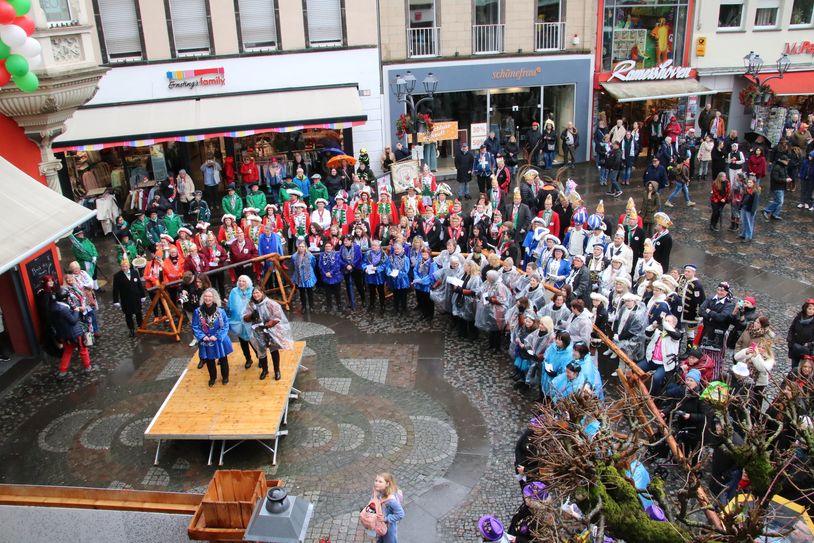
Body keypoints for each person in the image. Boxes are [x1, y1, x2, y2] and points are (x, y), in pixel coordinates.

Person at [243, 287, 292, 380]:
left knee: (274, 350)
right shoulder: (250, 304)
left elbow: (278, 316)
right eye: (254, 293)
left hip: (271, 331)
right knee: (261, 352)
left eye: (257, 292)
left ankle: (277, 370)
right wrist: (251, 316)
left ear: (262, 292)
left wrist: (269, 324)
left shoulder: (270, 303)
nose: (255, 295)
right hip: (258, 331)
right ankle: (265, 370)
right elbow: (245, 317)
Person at [191, 288, 232, 387]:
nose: (207, 298)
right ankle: (212, 378)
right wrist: (202, 336)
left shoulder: (221, 311)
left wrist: (217, 336)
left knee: (223, 359)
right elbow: (195, 326)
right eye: (205, 296)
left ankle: (225, 377)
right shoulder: (197, 311)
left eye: (209, 296)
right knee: (210, 360)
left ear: (214, 298)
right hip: (206, 341)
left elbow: (226, 325)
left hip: (219, 340)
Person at [51, 288, 92, 379]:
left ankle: (62, 371)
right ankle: (87, 366)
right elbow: (73, 320)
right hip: (75, 333)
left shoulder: (53, 307)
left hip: (64, 334)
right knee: (83, 349)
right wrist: (76, 311)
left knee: (68, 351)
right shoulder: (63, 309)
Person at [228, 275, 256, 370]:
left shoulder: (253, 291)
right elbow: (230, 305)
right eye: (239, 281)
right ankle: (248, 359)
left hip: (251, 321)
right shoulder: (234, 291)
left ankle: (260, 357)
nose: (241, 283)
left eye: (243, 281)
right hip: (238, 322)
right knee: (243, 342)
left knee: (254, 341)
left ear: (247, 282)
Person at [112, 258, 145, 338]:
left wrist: (143, 295)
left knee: (138, 313)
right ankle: (131, 329)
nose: (124, 268)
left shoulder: (134, 272)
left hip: (136, 297)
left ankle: (141, 326)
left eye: (126, 266)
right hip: (126, 299)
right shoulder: (117, 276)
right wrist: (116, 300)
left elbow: (139, 285)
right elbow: (115, 289)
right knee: (128, 315)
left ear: (129, 266)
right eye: (123, 266)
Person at [372, 472, 404, 543]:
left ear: (387, 484)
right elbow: (373, 506)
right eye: (376, 481)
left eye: (380, 482)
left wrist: (385, 519)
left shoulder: (391, 500)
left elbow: (400, 514)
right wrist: (374, 496)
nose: (376, 483)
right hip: (380, 525)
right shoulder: (379, 493)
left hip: (389, 529)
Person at [290, 239, 316, 313]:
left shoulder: (310, 256)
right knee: (301, 292)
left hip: (308, 276)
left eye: (303, 246)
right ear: (297, 247)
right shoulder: (294, 256)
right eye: (300, 246)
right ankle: (304, 306)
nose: (301, 248)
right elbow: (293, 265)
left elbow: (313, 264)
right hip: (299, 276)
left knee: (310, 292)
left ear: (305, 247)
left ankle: (311, 306)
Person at [787, 299, 814, 369]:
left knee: (804, 368)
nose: (811, 311)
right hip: (795, 346)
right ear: (805, 308)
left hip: (806, 349)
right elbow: (792, 329)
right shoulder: (799, 317)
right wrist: (790, 341)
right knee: (794, 367)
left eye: (813, 309)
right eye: (809, 308)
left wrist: (809, 344)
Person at [762, 154, 790, 221]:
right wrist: (785, 180)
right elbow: (775, 178)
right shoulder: (777, 167)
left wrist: (788, 177)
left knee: (778, 201)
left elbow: (785, 175)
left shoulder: (784, 167)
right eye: (786, 161)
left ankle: (774, 214)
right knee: (779, 201)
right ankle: (767, 210)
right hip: (777, 187)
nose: (787, 162)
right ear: (783, 161)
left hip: (781, 187)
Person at [738, 175, 759, 242]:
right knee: (744, 222)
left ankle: (748, 236)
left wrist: (753, 211)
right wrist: (741, 206)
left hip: (749, 210)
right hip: (744, 208)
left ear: (754, 183)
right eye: (748, 182)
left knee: (749, 223)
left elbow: (755, 203)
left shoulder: (755, 192)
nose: (749, 184)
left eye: (750, 182)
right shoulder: (746, 190)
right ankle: (743, 234)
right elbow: (743, 199)